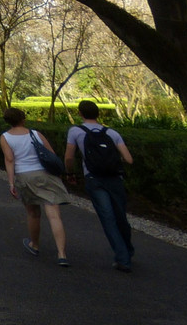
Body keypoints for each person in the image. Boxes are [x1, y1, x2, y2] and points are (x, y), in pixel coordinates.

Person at [66, 100, 136, 272]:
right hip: (115, 178)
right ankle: (127, 251)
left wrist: (70, 173)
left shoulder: (75, 131)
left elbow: (69, 157)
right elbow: (129, 159)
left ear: (80, 114)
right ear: (98, 114)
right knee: (121, 217)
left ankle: (123, 259)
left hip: (94, 178)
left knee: (107, 218)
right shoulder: (112, 133)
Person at [0, 107, 70, 265]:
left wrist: (11, 182)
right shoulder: (36, 134)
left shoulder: (5, 137)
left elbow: (9, 160)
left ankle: (35, 244)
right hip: (45, 175)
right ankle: (62, 254)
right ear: (23, 118)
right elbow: (51, 153)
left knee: (33, 213)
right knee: (54, 215)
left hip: (25, 177)